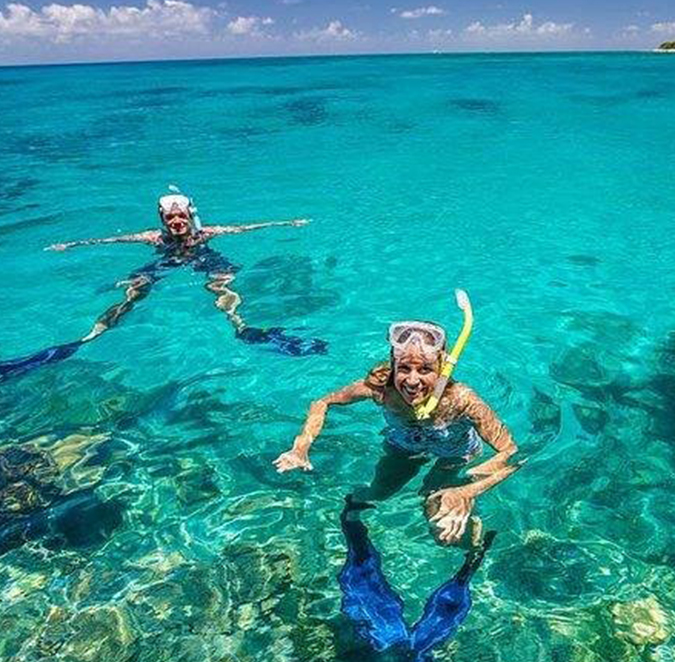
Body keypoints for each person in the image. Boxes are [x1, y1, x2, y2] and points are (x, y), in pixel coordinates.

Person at [0, 188, 324, 382]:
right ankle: (90, 336)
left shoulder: (206, 234)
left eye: (181, 216)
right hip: (166, 261)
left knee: (222, 287)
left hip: (203, 260)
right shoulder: (154, 238)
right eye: (171, 219)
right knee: (134, 290)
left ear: (190, 215)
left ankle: (242, 328)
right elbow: (114, 239)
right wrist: (71, 246)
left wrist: (286, 223)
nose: (176, 222)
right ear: (164, 220)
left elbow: (245, 228)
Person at [274, 291, 520, 547]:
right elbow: (323, 402)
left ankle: (471, 533)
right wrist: (301, 447)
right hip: (403, 446)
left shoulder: (462, 400)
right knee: (377, 493)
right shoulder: (381, 389)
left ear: (443, 368)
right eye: (404, 368)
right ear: (393, 365)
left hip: (453, 454)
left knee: (440, 525)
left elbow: (512, 452)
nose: (412, 381)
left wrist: (468, 491)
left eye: (425, 369)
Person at [337, 494, 496, 659]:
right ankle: (471, 563)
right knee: (441, 619)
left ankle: (352, 522)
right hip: (402, 651)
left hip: (386, 646)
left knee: (365, 585)